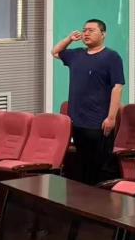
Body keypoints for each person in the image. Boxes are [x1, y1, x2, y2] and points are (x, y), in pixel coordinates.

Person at [51, 19, 125, 184]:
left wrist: (111, 117)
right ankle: (83, 196)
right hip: (78, 121)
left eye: (91, 30)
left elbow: (118, 87)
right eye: (84, 30)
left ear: (103, 34)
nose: (86, 33)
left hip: (99, 122)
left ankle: (100, 197)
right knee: (81, 165)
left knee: (99, 167)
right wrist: (69, 39)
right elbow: (55, 52)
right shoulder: (76, 54)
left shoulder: (111, 57)